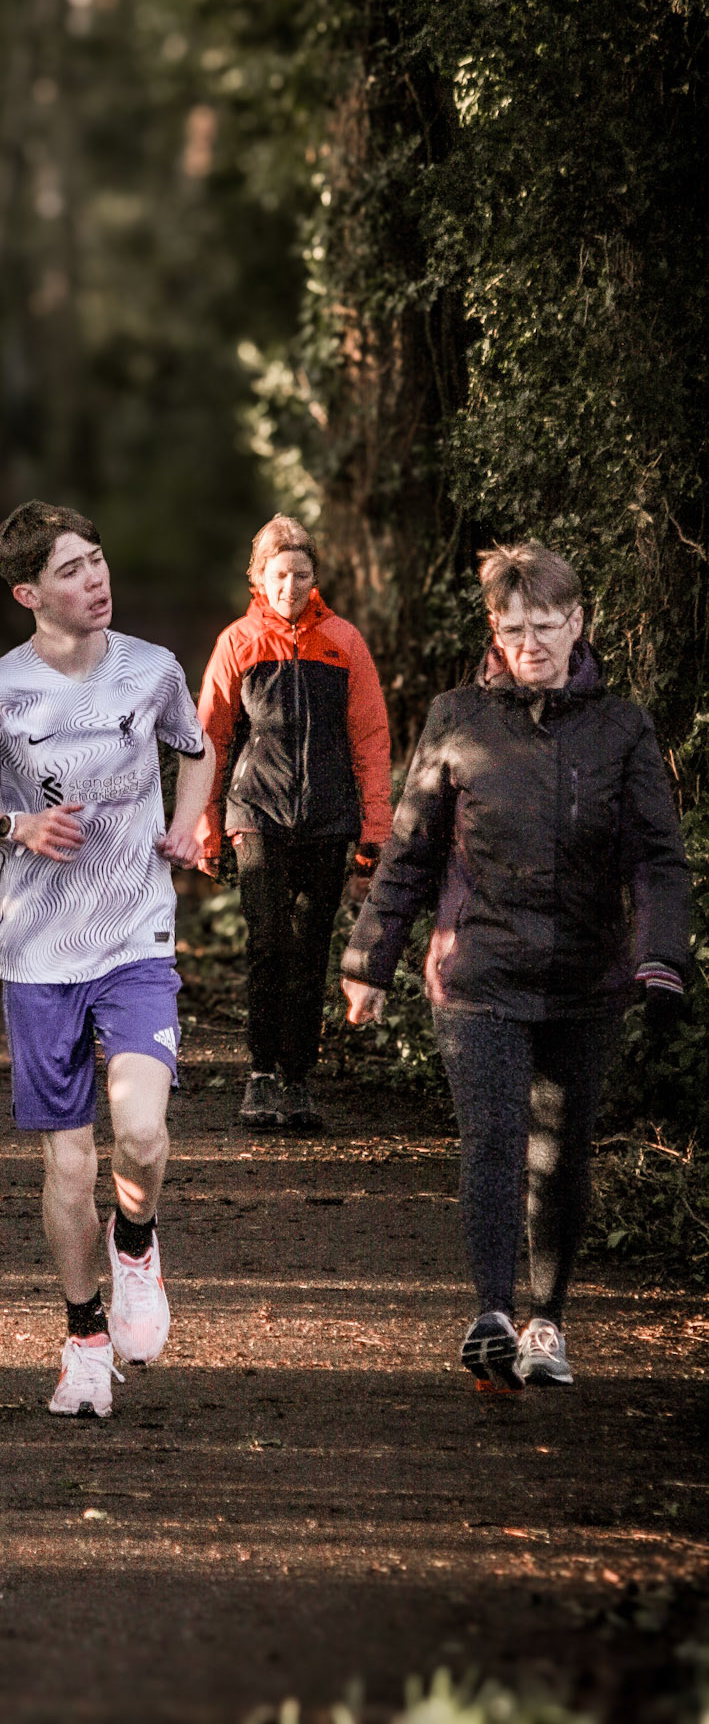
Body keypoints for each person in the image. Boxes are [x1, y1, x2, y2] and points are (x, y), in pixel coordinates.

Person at [341, 542, 690, 1390]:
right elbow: (411, 849)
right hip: (477, 971)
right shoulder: (457, 716)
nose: (528, 643)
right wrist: (368, 960)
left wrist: (660, 955)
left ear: (578, 623)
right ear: (493, 631)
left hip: (584, 977)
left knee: (560, 1154)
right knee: (494, 1140)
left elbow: (656, 857)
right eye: (511, 628)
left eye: (544, 625)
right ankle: (492, 1315)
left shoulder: (621, 727)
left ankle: (546, 1323)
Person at [0, 501, 214, 1418]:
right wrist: (11, 826)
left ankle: (135, 1242)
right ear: (28, 594)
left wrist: (187, 825)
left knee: (140, 1135)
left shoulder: (153, 669)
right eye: (70, 570)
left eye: (96, 560)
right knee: (68, 1168)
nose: (95, 579)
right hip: (38, 953)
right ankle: (84, 1338)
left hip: (135, 936)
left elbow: (198, 751)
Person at [194, 514, 392, 1131]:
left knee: (310, 947)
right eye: (278, 575)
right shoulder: (238, 642)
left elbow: (371, 738)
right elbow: (209, 738)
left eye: (300, 574)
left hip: (328, 818)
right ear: (258, 577)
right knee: (269, 940)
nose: (290, 586)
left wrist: (375, 828)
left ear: (314, 576)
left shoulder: (344, 642)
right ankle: (260, 1074)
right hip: (256, 812)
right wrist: (206, 825)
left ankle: (298, 1079)